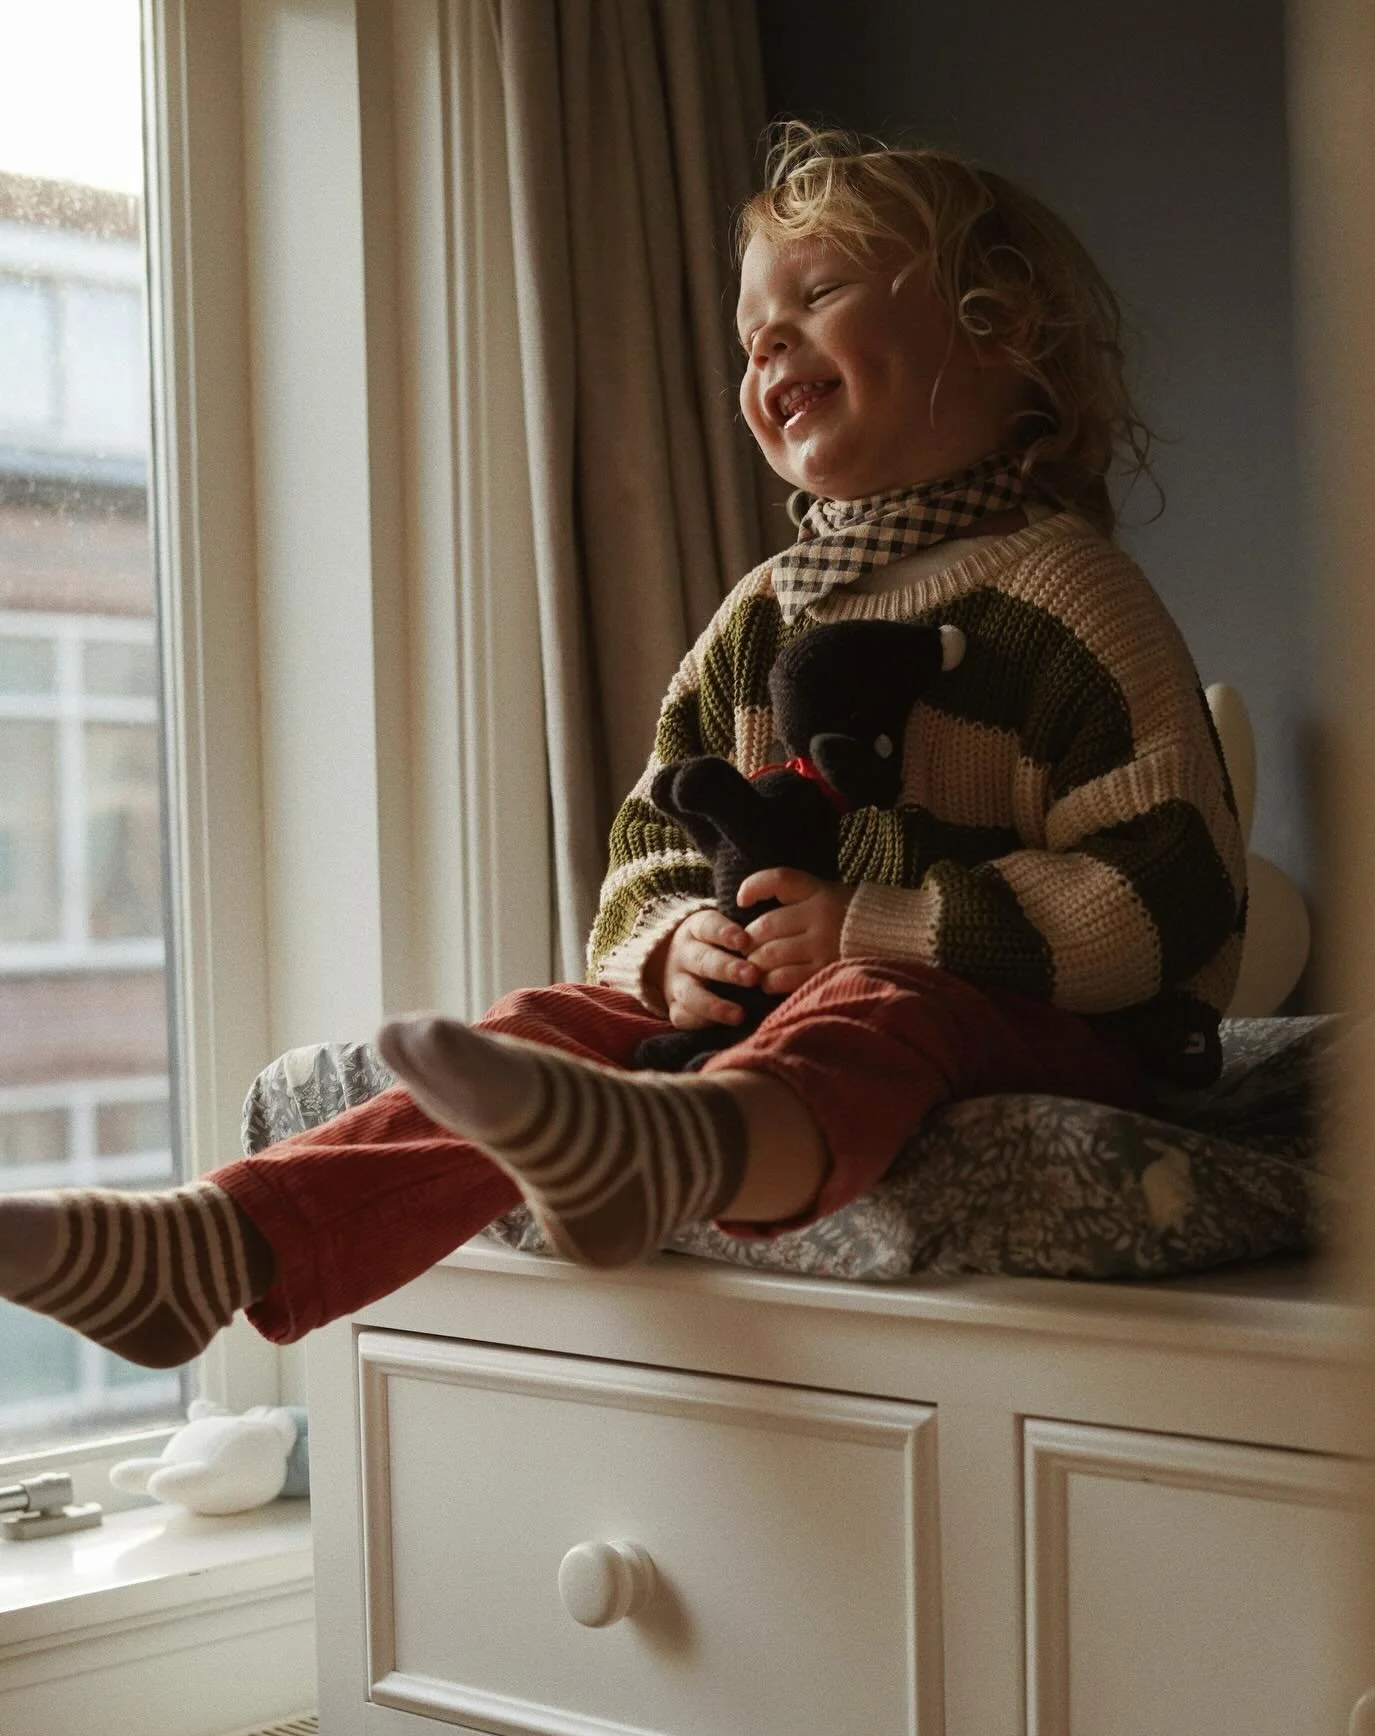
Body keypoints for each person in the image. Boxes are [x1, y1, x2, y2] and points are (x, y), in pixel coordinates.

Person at [0, 124, 1244, 1369]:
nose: (766, 340)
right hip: (788, 1017)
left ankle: (675, 1155)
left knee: (888, 1000)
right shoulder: (762, 613)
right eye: (753, 324)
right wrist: (671, 950)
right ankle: (216, 1245)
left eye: (818, 295)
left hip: (1065, 1037)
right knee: (553, 1016)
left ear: (996, 326)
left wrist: (876, 927)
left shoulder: (1072, 595)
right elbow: (654, 841)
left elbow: (1168, 892)